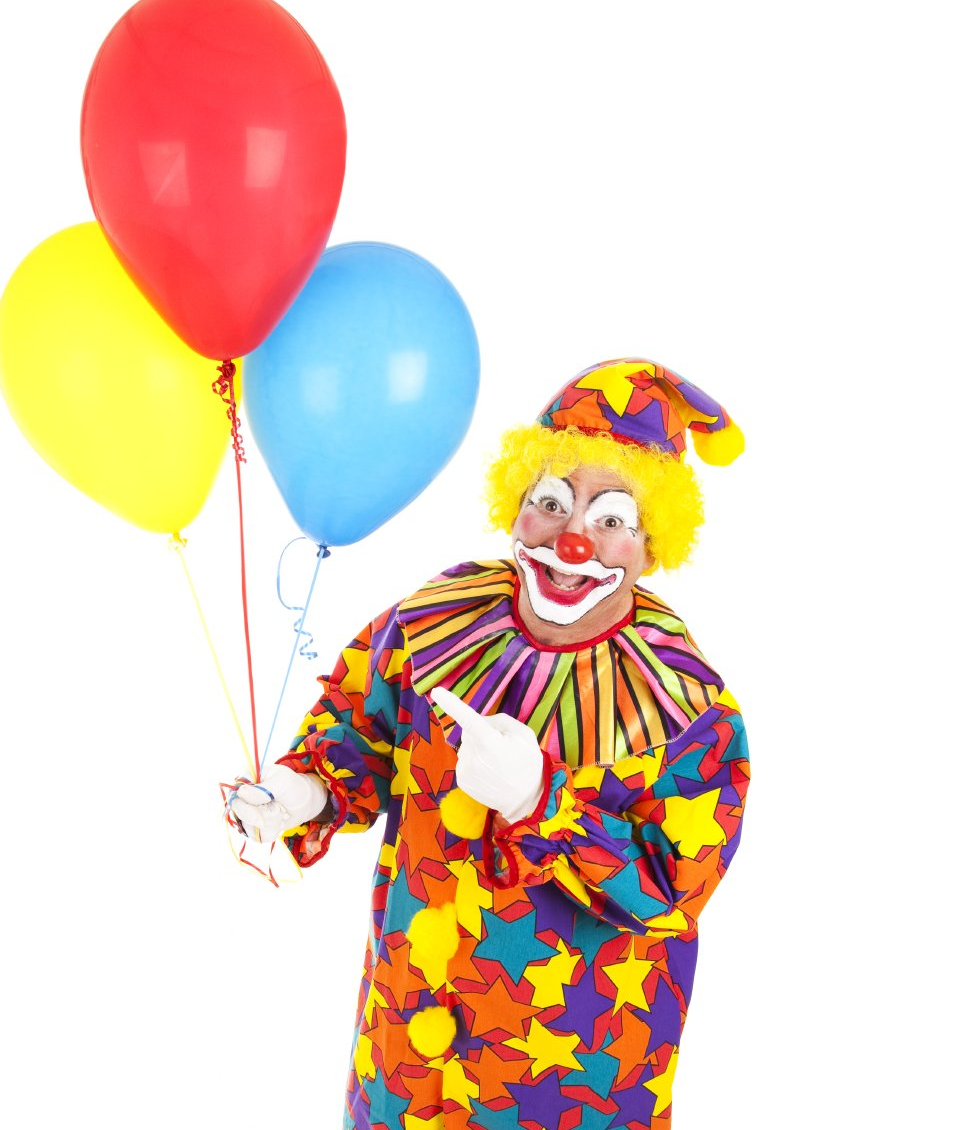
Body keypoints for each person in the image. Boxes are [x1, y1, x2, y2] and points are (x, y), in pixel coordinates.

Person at [230, 358, 751, 1130]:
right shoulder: (434, 617)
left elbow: (672, 888)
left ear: (652, 543)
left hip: (568, 1081)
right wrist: (304, 789)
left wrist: (544, 801)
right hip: (408, 1053)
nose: (573, 541)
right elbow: (359, 731)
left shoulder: (688, 707)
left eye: (611, 518)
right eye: (551, 502)